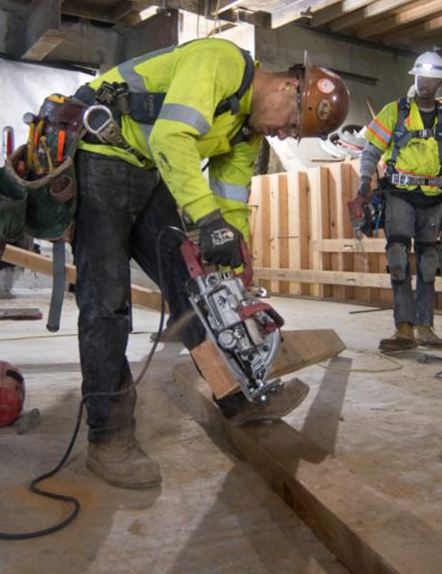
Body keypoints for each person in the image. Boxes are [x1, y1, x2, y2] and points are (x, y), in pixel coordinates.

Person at [70, 38, 350, 489]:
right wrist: (207, 221)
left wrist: (234, 263)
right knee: (106, 304)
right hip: (102, 155)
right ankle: (109, 438)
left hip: (148, 168)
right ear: (288, 88)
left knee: (197, 291)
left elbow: (230, 202)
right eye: (290, 124)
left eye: (290, 133)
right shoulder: (219, 61)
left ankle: (236, 394)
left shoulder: (247, 130)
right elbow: (170, 136)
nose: (282, 135)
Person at [353, 51, 442, 352]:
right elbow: (370, 151)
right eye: (419, 78)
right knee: (397, 259)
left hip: (434, 199)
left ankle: (424, 327)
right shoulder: (395, 112)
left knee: (429, 263)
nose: (423, 84)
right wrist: (365, 181)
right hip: (399, 196)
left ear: (438, 84)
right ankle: (403, 329)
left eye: (429, 80)